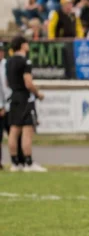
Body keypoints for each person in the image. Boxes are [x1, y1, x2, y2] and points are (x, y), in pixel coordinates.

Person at [5, 36, 46, 173]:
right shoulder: (25, 61)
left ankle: (15, 163)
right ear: (23, 45)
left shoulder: (8, 62)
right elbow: (28, 82)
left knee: (14, 130)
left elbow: (6, 82)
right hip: (25, 98)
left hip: (14, 97)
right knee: (27, 130)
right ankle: (28, 162)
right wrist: (37, 93)